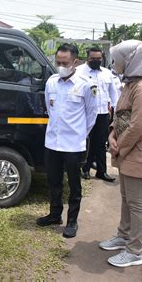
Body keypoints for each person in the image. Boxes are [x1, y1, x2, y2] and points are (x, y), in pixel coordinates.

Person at [99, 40, 142, 268]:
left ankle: (135, 251)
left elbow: (140, 124)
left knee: (137, 204)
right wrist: (111, 135)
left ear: (130, 59)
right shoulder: (130, 83)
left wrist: (119, 145)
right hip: (129, 148)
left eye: (118, 57)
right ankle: (124, 235)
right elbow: (119, 115)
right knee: (127, 199)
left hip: (140, 150)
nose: (114, 62)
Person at [36, 43, 98, 238]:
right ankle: (55, 215)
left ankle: (72, 220)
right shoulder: (51, 82)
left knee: (74, 184)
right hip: (52, 142)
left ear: (75, 62)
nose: (60, 66)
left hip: (73, 145)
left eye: (65, 62)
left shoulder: (86, 84)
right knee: (53, 181)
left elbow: (91, 114)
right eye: (58, 62)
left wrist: (79, 134)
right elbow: (49, 108)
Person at [78, 47, 118, 182]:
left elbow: (113, 94)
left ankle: (102, 171)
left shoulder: (107, 73)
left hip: (102, 114)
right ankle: (85, 169)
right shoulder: (79, 72)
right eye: (93, 59)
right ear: (87, 58)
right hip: (85, 114)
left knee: (101, 143)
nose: (96, 61)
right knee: (87, 141)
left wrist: (116, 110)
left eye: (98, 59)